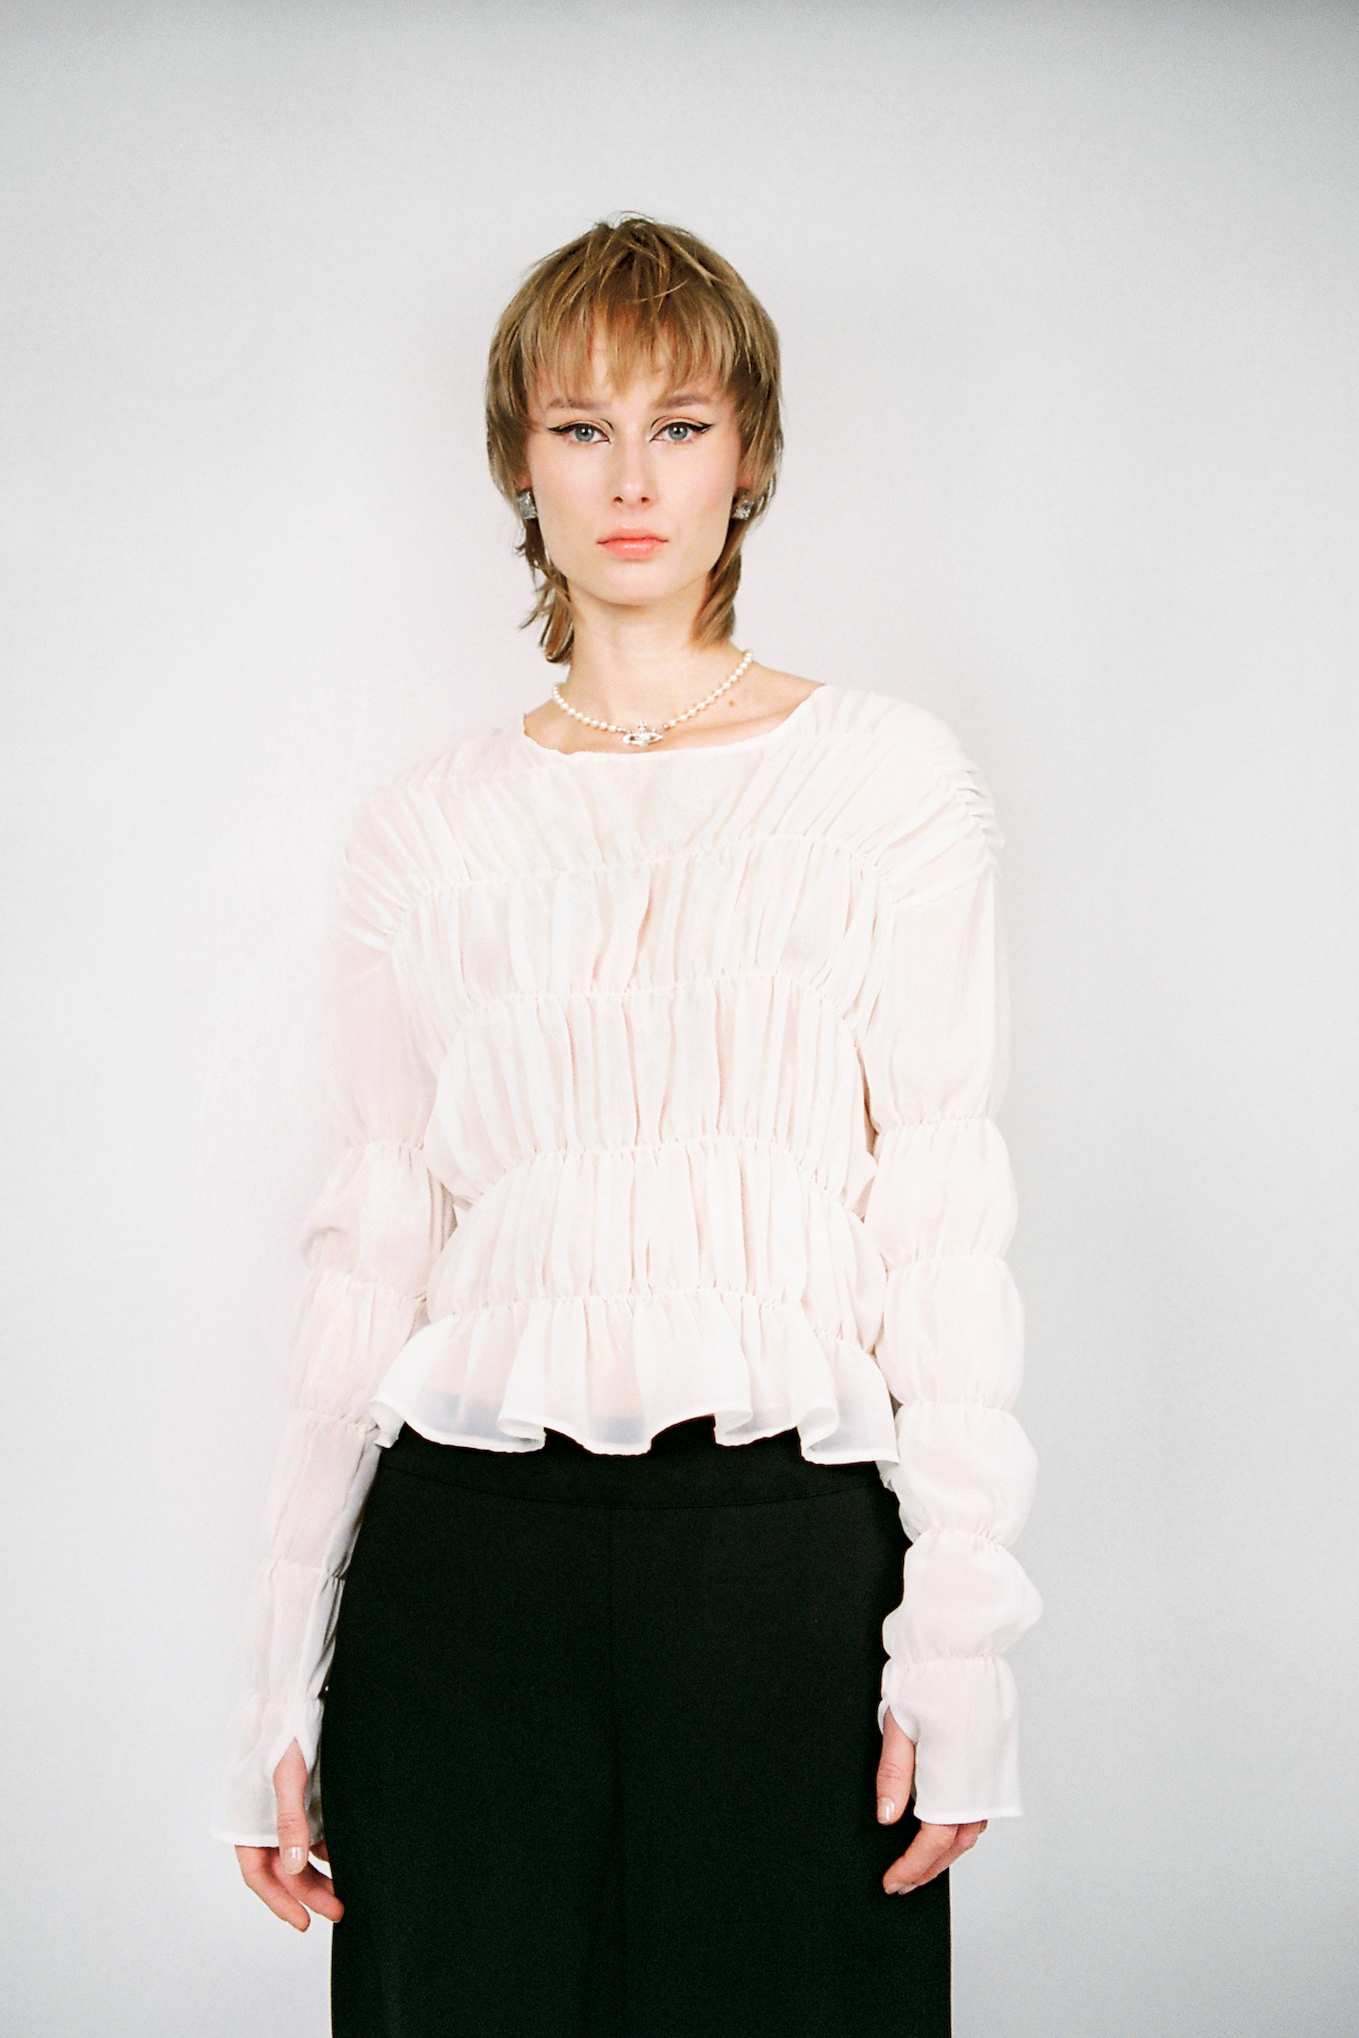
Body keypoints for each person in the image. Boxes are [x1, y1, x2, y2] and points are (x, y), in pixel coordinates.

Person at [212, 215, 1041, 2037]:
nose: (633, 477)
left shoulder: (886, 784)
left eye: (680, 424)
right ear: (522, 461)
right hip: (463, 1570)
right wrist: (278, 1676)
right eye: (582, 426)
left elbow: (940, 1218)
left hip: (783, 1559)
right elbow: (373, 1246)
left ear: (750, 454)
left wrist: (960, 1643)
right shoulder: (426, 831)